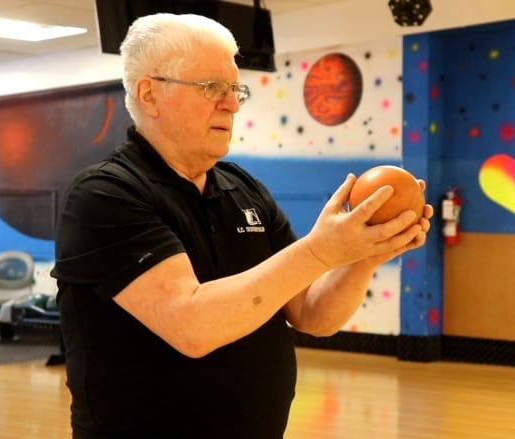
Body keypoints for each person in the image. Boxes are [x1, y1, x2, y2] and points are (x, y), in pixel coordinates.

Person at [51, 12, 433, 439]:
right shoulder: (104, 195)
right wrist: (321, 251)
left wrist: (362, 257)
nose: (231, 103)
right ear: (149, 94)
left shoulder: (243, 188)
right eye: (212, 87)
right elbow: (192, 325)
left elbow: (313, 313)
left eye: (235, 89)